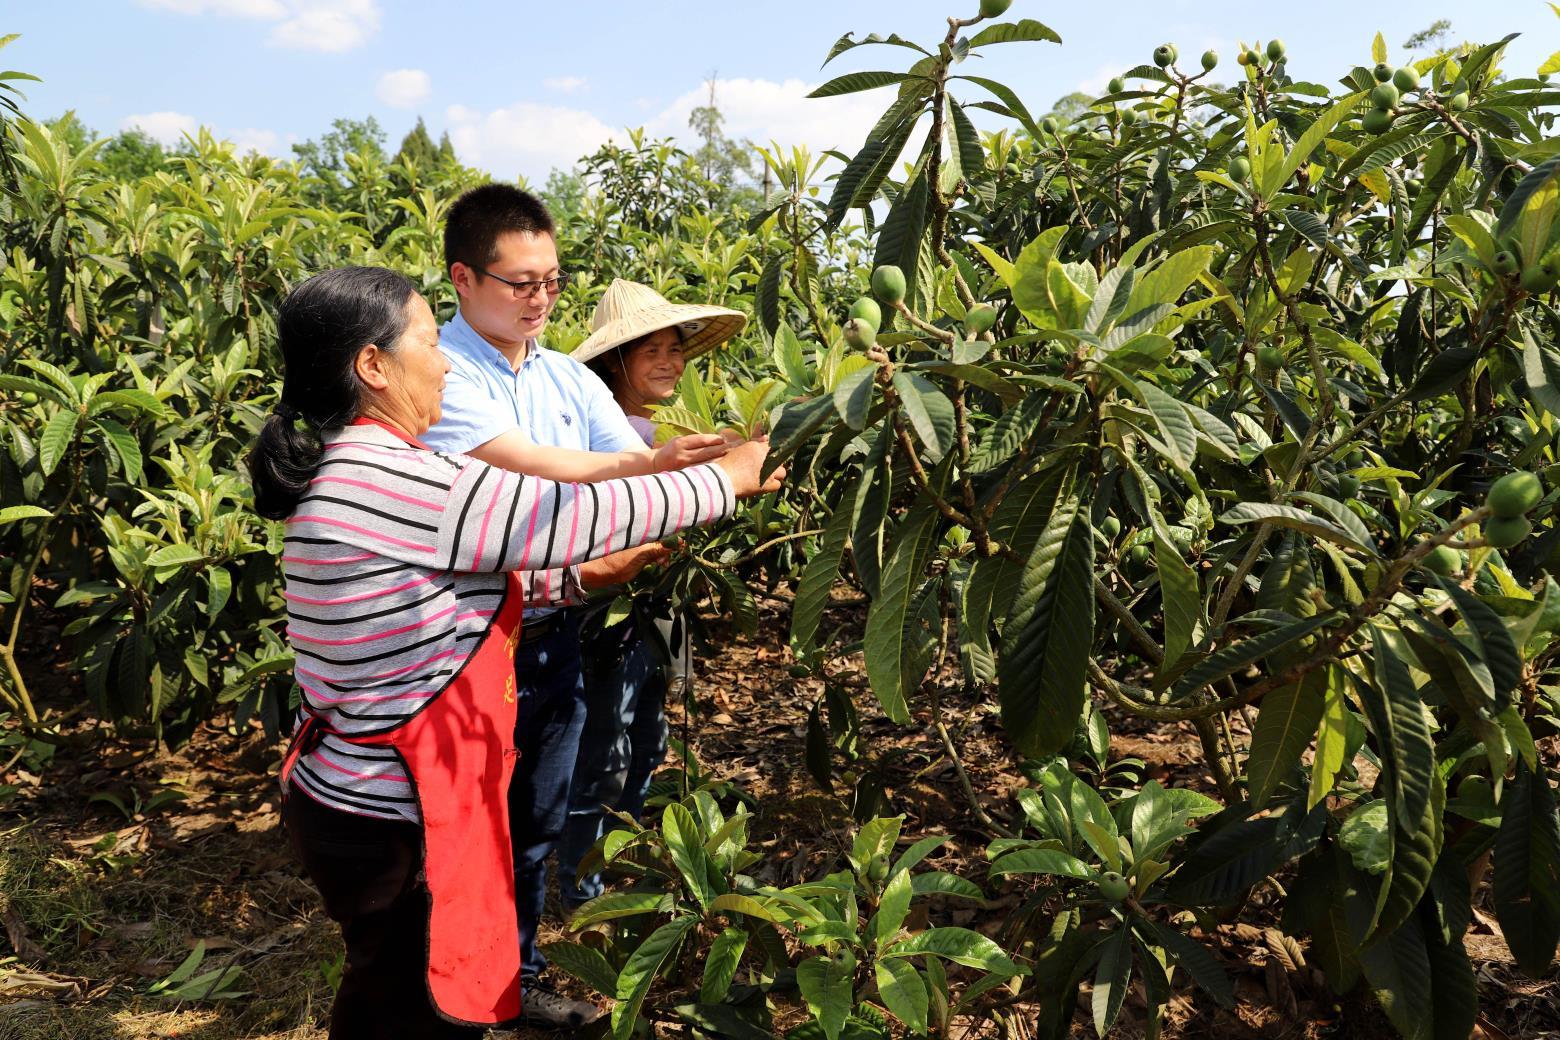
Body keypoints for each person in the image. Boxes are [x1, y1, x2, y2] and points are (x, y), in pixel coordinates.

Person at [250, 265, 779, 1038]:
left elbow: (445, 597)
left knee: (386, 992)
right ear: (372, 366)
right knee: (419, 1005)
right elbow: (569, 512)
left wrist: (574, 581)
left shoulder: (356, 470)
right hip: (396, 815)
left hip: (361, 798)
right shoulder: (397, 479)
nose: (445, 364)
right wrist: (730, 475)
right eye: (431, 343)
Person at [420, 184, 728, 1028]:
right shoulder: (439, 374)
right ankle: (442, 985)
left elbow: (636, 465)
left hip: (551, 635)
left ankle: (511, 980)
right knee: (460, 826)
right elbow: (524, 471)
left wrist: (698, 467)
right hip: (466, 642)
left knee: (534, 818)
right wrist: (651, 475)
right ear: (464, 279)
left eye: (551, 281)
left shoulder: (564, 376)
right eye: (521, 282)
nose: (540, 299)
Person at [558, 278, 746, 912]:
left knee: (650, 736)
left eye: (676, 350)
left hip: (656, 606)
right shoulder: (598, 439)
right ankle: (578, 888)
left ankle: (613, 865)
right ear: (616, 362)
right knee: (605, 746)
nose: (670, 362)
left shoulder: (661, 430)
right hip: (605, 611)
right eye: (652, 352)